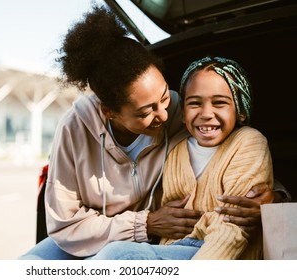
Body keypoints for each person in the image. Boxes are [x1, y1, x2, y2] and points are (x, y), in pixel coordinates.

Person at [19, 5, 289, 260]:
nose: (162, 114)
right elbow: (64, 224)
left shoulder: (178, 113)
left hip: (163, 245)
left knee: (116, 260)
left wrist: (275, 199)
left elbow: (234, 155)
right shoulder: (74, 129)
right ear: (109, 112)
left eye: (164, 97)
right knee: (28, 265)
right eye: (145, 112)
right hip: (103, 235)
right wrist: (144, 223)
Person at [158, 56, 273, 259]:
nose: (206, 113)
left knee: (118, 254)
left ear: (241, 111)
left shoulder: (248, 141)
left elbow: (233, 228)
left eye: (219, 103)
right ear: (183, 113)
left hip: (221, 255)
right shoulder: (175, 153)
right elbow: (170, 227)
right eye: (194, 103)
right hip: (175, 251)